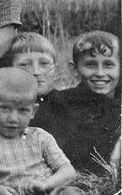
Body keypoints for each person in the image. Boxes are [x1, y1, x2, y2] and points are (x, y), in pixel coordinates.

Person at [0, 67, 95, 195]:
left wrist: (45, 184)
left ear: (33, 111)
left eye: (22, 110)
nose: (13, 118)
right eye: (4, 108)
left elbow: (68, 171)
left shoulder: (40, 137)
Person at [34, 31, 120, 176]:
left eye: (108, 65)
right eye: (90, 65)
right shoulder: (58, 102)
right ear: (74, 70)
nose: (100, 73)